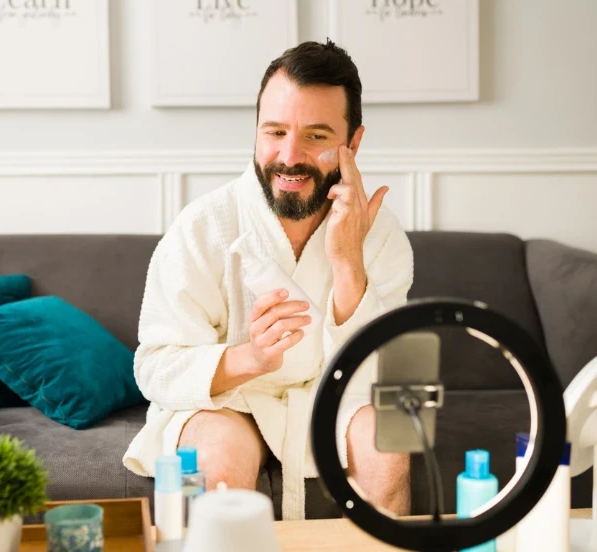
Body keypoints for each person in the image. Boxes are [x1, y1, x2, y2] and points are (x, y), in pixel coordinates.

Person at [122, 40, 414, 520]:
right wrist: (249, 357)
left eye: (317, 136)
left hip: (335, 398)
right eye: (275, 131)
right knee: (218, 462)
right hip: (232, 402)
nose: (289, 155)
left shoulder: (378, 235)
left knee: (390, 449)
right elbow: (154, 367)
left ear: (353, 143)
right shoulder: (204, 228)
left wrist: (347, 264)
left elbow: (383, 375)